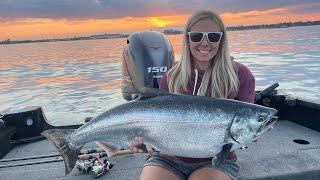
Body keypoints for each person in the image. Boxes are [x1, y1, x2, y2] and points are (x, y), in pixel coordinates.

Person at [131, 10, 255, 180]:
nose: (205, 43)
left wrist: (254, 131)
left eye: (213, 36)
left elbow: (247, 121)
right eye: (197, 36)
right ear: (187, 39)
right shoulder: (171, 75)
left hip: (218, 161)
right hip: (168, 157)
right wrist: (144, 139)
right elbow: (156, 124)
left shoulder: (241, 75)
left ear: (221, 39)